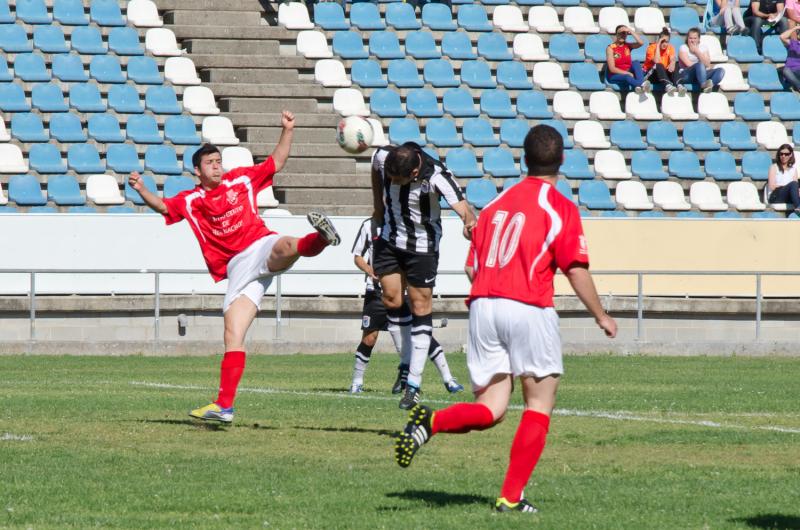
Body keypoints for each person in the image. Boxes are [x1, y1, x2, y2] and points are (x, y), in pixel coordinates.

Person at [392, 124, 617, 514]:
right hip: (527, 305)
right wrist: (601, 315)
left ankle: (430, 422)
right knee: (538, 404)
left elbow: (471, 267)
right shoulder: (559, 207)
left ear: (523, 159)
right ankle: (511, 497)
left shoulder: (496, 205)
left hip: (483, 305)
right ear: (562, 160)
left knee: (492, 407)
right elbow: (575, 269)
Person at [129, 111, 341, 424]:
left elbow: (275, 163)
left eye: (218, 161)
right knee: (233, 334)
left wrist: (287, 130)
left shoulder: (240, 179)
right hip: (237, 268)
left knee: (284, 247)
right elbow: (163, 206)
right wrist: (141, 189)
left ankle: (320, 238)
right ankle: (224, 406)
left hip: (259, 244)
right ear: (198, 171)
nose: (217, 166)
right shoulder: (191, 200)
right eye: (210, 163)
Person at [371, 142, 477, 410]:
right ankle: (406, 363)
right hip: (390, 240)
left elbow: (465, 209)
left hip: (423, 248)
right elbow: (375, 167)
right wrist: (378, 208)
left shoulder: (438, 176)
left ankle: (413, 383)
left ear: (414, 174)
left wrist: (469, 224)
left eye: (397, 180)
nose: (392, 182)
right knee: (392, 300)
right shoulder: (384, 156)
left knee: (420, 308)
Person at [349, 217, 463, 395]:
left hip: (403, 293)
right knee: (369, 338)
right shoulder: (368, 225)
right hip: (376, 292)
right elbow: (357, 257)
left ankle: (448, 378)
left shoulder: (405, 225)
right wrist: (369, 270)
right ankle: (357, 382)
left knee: (417, 335)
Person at [605, 25, 650, 93]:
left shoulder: (628, 46)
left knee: (636, 62)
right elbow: (612, 69)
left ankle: (639, 85)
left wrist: (630, 31)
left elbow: (641, 43)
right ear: (616, 35)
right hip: (615, 75)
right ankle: (641, 85)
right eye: (620, 33)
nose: (622, 35)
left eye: (624, 33)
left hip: (627, 71)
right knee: (627, 77)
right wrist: (627, 73)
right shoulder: (610, 48)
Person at [679, 28, 725, 92]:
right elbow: (688, 64)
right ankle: (703, 85)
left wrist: (697, 52)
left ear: (698, 39)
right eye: (690, 38)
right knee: (699, 65)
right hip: (687, 75)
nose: (692, 40)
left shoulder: (703, 48)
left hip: (701, 75)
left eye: (695, 38)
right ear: (687, 39)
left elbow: (707, 64)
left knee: (720, 70)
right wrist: (701, 67)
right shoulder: (683, 47)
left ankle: (710, 85)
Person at [643, 27, 686, 96]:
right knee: (659, 65)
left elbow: (672, 58)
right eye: (662, 41)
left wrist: (673, 62)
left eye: (666, 42)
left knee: (676, 64)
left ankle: (679, 85)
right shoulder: (651, 48)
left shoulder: (670, 47)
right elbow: (657, 61)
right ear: (659, 40)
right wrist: (658, 45)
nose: (664, 44)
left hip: (663, 75)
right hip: (652, 75)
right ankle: (668, 86)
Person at [766, 144, 800, 210]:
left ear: (790, 155)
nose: (783, 156)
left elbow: (795, 188)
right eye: (781, 154)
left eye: (786, 154)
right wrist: (787, 187)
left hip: (789, 195)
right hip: (776, 195)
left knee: (794, 186)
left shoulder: (793, 169)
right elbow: (772, 186)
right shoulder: (774, 167)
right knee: (793, 184)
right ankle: (798, 208)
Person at [779, 25, 800, 91]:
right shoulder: (793, 43)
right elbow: (782, 36)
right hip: (791, 71)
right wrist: (795, 28)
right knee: (785, 70)